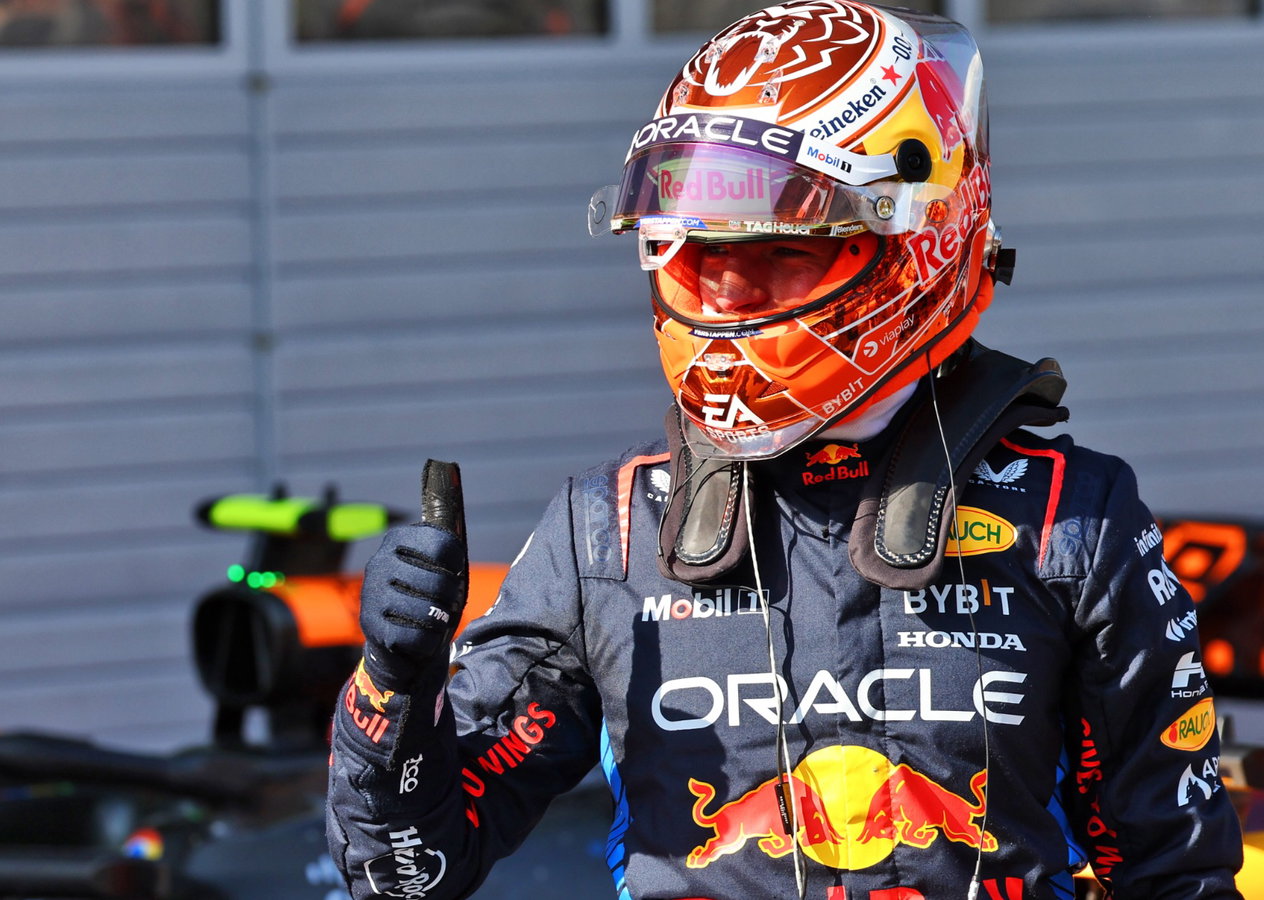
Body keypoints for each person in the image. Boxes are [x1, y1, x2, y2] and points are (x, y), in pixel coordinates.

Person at [325, 2, 1244, 898]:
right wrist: (393, 691)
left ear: (915, 239)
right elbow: (406, 873)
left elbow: (1176, 872)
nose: (726, 298)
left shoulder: (1069, 523)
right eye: (698, 258)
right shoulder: (605, 532)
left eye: (778, 252)